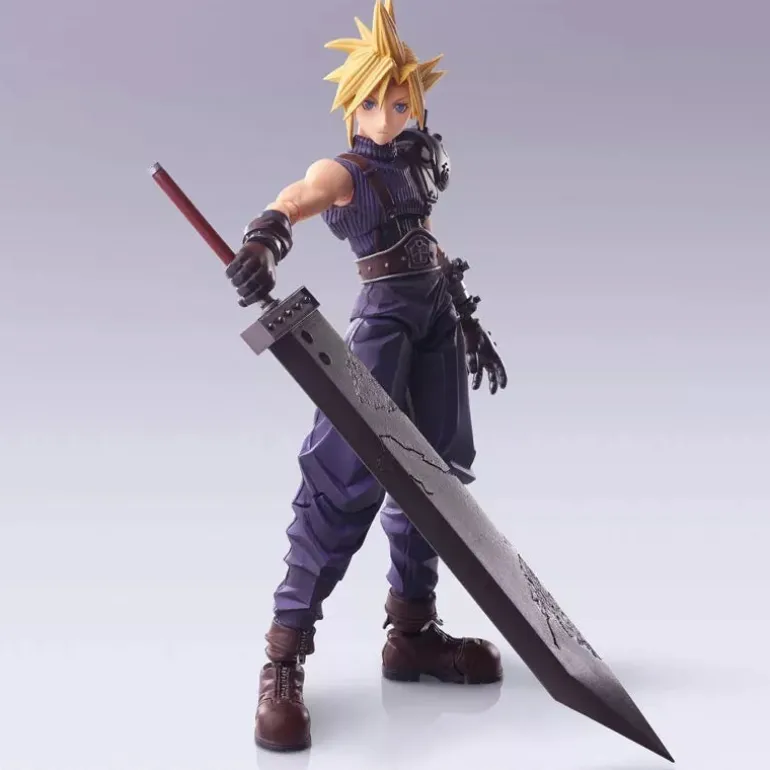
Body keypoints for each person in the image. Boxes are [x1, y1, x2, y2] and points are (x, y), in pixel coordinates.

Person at [226, 0, 508, 752]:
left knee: (437, 475)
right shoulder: (345, 170)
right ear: (351, 109)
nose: (387, 117)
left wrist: (463, 319)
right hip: (383, 325)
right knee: (343, 477)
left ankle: (411, 633)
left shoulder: (417, 160)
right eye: (372, 104)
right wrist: (264, 242)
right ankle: (283, 655)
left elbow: (428, 242)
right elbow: (297, 197)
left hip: (435, 319)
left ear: (418, 103)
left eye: (400, 101)